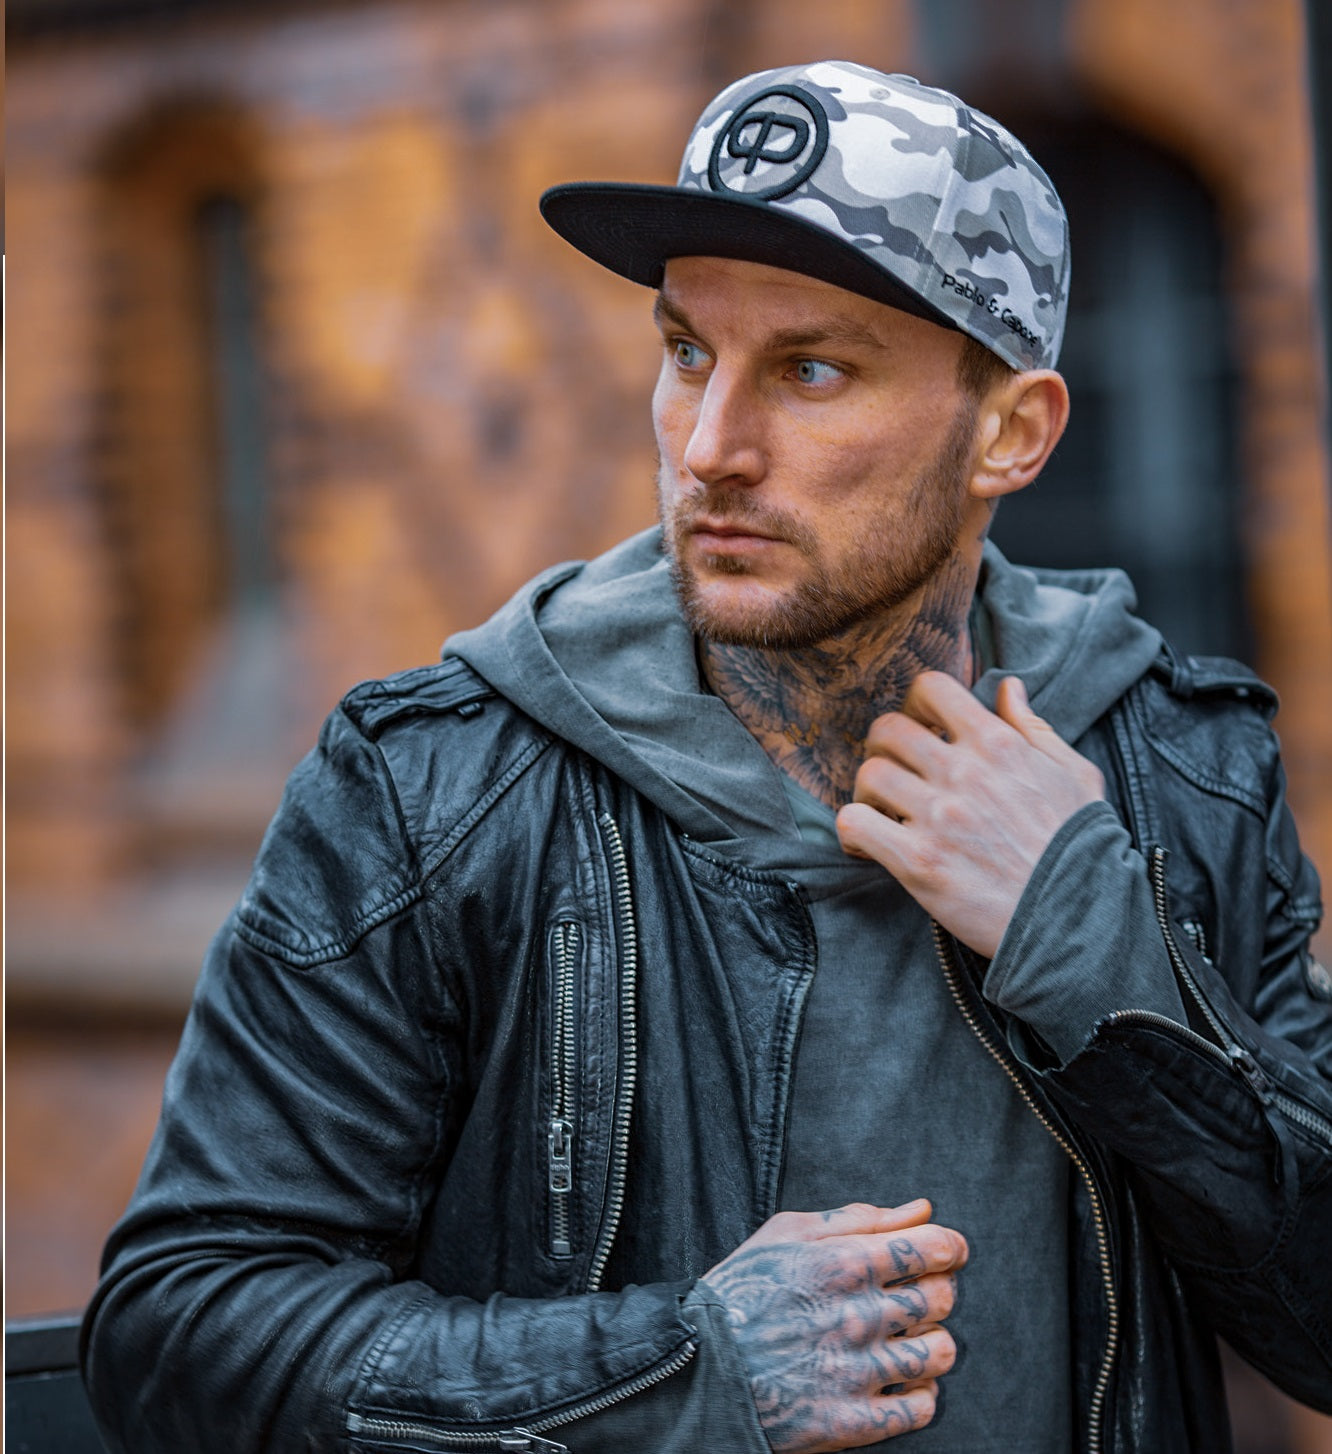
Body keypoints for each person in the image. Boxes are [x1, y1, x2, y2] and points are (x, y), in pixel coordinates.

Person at [81, 60, 1332, 1454]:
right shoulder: (437, 791)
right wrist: (681, 1376)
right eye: (686, 353)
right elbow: (181, 1334)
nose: (712, 447)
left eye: (810, 370)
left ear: (1010, 433)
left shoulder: (1178, 769)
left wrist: (1102, 947)